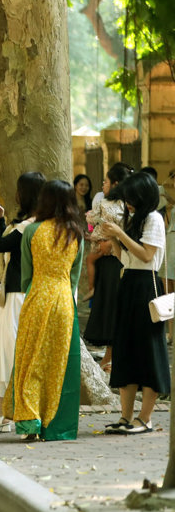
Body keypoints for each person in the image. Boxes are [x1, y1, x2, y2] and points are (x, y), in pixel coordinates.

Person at [4, 180, 85, 441]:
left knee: (31, 359)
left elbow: (26, 274)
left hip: (37, 297)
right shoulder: (77, 234)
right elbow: (75, 275)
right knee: (59, 363)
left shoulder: (32, 231)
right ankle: (57, 426)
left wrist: (36, 290)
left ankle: (30, 424)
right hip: (63, 301)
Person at [0, 171, 45, 433]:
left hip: (18, 297)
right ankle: (0, 413)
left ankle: (4, 413)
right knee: (1, 351)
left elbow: (0, 245)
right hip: (19, 295)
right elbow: (4, 243)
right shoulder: (35, 224)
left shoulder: (30, 226)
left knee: (7, 353)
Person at [101, 173, 170, 434]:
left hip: (146, 287)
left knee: (149, 350)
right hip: (129, 282)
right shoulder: (135, 219)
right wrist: (114, 239)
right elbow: (126, 258)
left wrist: (120, 233)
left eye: (131, 199)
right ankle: (126, 416)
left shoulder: (153, 218)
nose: (127, 203)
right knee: (125, 349)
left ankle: (145, 417)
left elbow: (146, 255)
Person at [84, 162, 134, 370]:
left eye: (106, 181)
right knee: (109, 309)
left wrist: (109, 244)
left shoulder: (117, 205)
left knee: (113, 310)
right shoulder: (126, 205)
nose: (103, 185)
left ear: (115, 183)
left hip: (117, 262)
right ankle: (110, 357)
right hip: (110, 259)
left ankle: (111, 357)